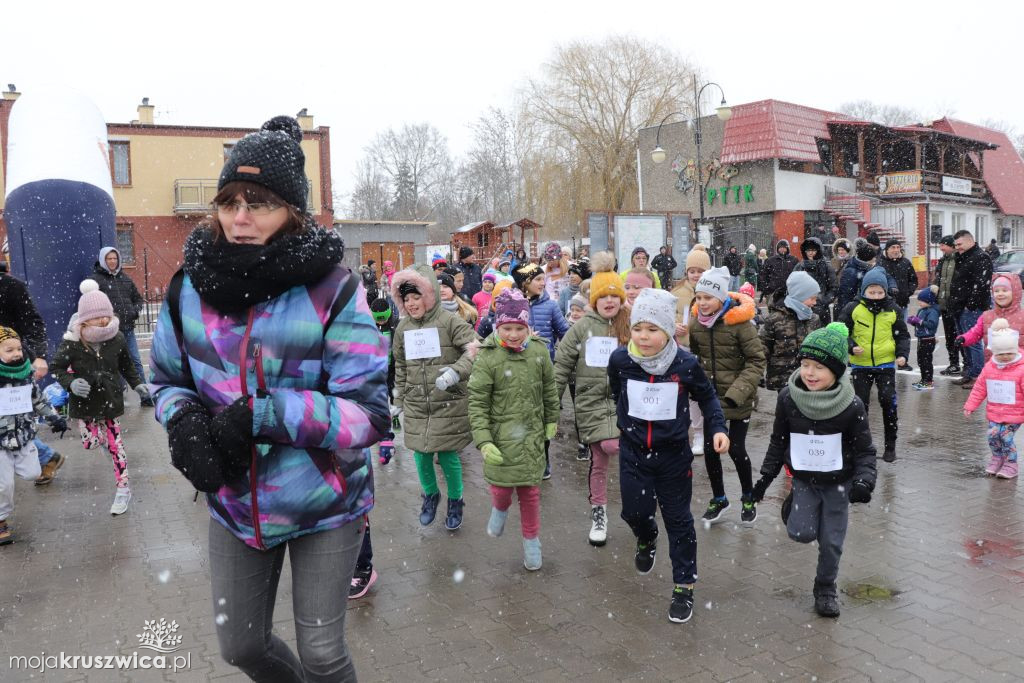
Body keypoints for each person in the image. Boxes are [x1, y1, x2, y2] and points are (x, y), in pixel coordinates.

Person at [149, 117, 388, 681]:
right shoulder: (190, 286)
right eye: (230, 201)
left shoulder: (332, 287)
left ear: (292, 212)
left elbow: (369, 413)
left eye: (259, 203)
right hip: (234, 502)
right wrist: (183, 421)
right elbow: (167, 380)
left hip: (324, 502)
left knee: (323, 655)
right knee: (241, 648)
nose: (241, 218)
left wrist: (267, 413)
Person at [608, 288, 728, 624]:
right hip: (633, 453)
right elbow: (617, 393)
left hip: (674, 455)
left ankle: (683, 586)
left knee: (679, 521)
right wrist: (626, 425)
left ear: (667, 330)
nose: (644, 337)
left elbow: (708, 399)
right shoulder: (620, 361)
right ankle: (646, 538)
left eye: (652, 330)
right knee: (634, 512)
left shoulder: (685, 364)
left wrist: (718, 428)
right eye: (638, 329)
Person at [750, 322, 876, 618]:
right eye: (806, 365)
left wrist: (865, 481)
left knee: (831, 543)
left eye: (819, 367)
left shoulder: (852, 405)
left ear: (837, 371)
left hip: (838, 484)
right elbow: (777, 441)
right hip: (804, 480)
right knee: (801, 533)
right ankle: (794, 509)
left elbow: (865, 450)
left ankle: (825, 587)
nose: (809, 373)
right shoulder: (788, 398)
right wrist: (764, 481)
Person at [469, 289, 558, 570]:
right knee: (502, 489)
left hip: (531, 437)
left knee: (530, 494)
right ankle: (499, 508)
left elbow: (550, 389)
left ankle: (532, 542)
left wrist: (551, 419)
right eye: (507, 327)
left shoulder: (540, 351)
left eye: (519, 327)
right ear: (498, 326)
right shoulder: (488, 357)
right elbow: (477, 402)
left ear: (528, 327)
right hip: (500, 439)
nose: (513, 334)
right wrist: (483, 441)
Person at [391, 264, 477, 530]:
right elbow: (401, 367)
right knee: (420, 453)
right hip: (417, 402)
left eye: (416, 297)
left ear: (429, 295)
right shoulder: (402, 328)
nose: (412, 303)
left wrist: (456, 372)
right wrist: (398, 401)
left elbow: (475, 349)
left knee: (448, 455)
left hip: (447, 400)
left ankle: (455, 500)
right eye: (406, 299)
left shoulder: (449, 320)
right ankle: (430, 495)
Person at [554, 251, 630, 545]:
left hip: (625, 403)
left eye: (614, 296)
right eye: (603, 297)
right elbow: (561, 366)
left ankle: (639, 507)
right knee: (602, 454)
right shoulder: (582, 328)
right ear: (593, 299)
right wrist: (552, 406)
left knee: (632, 458)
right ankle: (599, 512)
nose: (609, 302)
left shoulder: (631, 324)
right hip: (591, 402)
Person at [54, 280, 148, 515]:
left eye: (106, 316)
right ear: (84, 319)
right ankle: (101, 440)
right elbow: (57, 368)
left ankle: (123, 488)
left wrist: (138, 385)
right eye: (97, 318)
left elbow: (127, 365)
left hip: (109, 400)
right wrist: (71, 383)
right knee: (90, 443)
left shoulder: (116, 339)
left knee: (116, 446)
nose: (103, 321)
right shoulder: (72, 343)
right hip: (84, 404)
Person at [687, 267, 766, 524]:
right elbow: (697, 357)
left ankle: (747, 496)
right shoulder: (697, 323)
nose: (702, 303)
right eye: (699, 298)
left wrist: (738, 392)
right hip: (711, 399)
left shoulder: (740, 324)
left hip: (737, 398)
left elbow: (756, 360)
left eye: (708, 297)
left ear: (721, 298)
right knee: (711, 450)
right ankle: (720, 497)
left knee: (736, 449)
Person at [0, 326, 67, 544]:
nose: (17, 354)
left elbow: (37, 400)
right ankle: (1, 521)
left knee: (32, 473)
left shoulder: (26, 373)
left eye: (18, 348)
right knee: (4, 485)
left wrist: (53, 417)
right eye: (9, 350)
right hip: (0, 440)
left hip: (23, 435)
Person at [838, 269, 910, 463]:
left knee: (888, 402)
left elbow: (902, 335)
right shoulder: (853, 308)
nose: (876, 297)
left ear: (885, 292)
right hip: (861, 366)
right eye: (872, 292)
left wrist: (902, 355)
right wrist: (851, 346)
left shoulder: (893, 309)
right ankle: (861, 445)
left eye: (880, 293)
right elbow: (841, 332)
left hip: (885, 364)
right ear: (864, 291)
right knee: (860, 405)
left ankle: (890, 445)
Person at [513, 261, 569, 479]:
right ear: (525, 283)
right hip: (517, 369)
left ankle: (543, 458)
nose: (542, 283)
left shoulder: (551, 306)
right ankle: (522, 457)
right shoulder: (513, 304)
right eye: (537, 279)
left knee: (543, 416)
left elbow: (565, 332)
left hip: (544, 370)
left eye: (542, 279)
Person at [89, 247, 151, 405]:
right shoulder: (96, 280)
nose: (112, 261)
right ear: (103, 260)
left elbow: (138, 299)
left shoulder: (125, 278)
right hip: (109, 332)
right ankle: (115, 397)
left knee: (135, 361)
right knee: (112, 365)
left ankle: (145, 396)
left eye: (115, 258)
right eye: (109, 259)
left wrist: (134, 312)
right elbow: (92, 304)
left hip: (128, 328)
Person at [964, 319, 1023, 479]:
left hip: (1015, 413)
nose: (1005, 357)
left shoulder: (1021, 368)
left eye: (1009, 353)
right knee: (992, 435)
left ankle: (1011, 464)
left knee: (1005, 436)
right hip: (995, 412)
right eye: (1001, 353)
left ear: (1015, 350)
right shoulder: (990, 367)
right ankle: (997, 458)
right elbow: (980, 388)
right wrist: (970, 405)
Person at [671, 244, 710, 455]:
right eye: (692, 271)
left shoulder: (712, 291)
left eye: (700, 271)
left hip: (703, 350)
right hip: (682, 348)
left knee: (698, 395)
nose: (695, 275)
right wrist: (673, 325)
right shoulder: (677, 293)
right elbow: (666, 317)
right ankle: (680, 434)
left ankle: (700, 434)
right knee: (681, 394)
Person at [760, 271, 821, 391]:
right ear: (800, 296)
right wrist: (757, 373)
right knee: (787, 407)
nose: (815, 303)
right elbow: (762, 348)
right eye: (812, 298)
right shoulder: (775, 319)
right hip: (783, 377)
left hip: (808, 377)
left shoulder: (813, 318)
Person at [949, 230, 994, 389]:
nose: (957, 248)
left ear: (970, 241)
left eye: (959, 244)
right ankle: (969, 373)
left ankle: (978, 376)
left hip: (971, 309)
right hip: (960, 307)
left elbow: (981, 284)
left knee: (973, 343)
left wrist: (970, 305)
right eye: (955, 245)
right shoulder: (963, 256)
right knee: (964, 341)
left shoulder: (981, 257)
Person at [955, 274, 1024, 370]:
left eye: (1005, 290)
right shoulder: (987, 316)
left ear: (1015, 293)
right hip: (993, 366)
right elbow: (975, 333)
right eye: (996, 291)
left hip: (1019, 368)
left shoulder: (1022, 316)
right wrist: (964, 339)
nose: (1000, 294)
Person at [835, 238, 896, 314]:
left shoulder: (873, 267)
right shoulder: (851, 272)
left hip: (870, 306)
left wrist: (892, 286)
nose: (875, 259)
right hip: (858, 309)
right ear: (867, 259)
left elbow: (886, 276)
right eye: (873, 258)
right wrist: (848, 313)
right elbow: (845, 295)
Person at [934, 235, 966, 376]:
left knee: (962, 335)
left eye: (943, 245)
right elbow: (938, 277)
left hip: (957, 305)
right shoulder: (943, 260)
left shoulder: (960, 259)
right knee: (949, 336)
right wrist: (935, 285)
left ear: (951, 246)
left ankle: (967, 363)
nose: (941, 248)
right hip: (944, 304)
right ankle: (953, 363)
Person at [793, 237, 836, 325]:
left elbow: (834, 288)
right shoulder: (799, 266)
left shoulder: (827, 267)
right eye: (808, 250)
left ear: (819, 251)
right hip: (802, 308)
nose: (810, 253)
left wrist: (823, 300)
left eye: (813, 250)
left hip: (821, 309)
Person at [908, 287, 941, 390]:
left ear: (929, 301)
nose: (920, 303)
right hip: (921, 338)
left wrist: (920, 322)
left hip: (928, 339)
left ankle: (928, 381)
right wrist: (913, 321)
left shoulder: (932, 311)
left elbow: (932, 324)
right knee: (921, 360)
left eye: (922, 301)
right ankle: (924, 379)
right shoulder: (922, 310)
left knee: (926, 361)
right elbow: (919, 323)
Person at [878, 239, 918, 321]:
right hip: (885, 305)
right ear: (887, 249)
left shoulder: (906, 262)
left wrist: (907, 292)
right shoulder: (880, 263)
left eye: (898, 247)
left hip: (902, 304)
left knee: (902, 330)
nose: (896, 250)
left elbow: (913, 280)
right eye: (893, 247)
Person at [759, 240, 798, 304]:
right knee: (774, 310)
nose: (782, 249)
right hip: (773, 291)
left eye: (784, 247)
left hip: (789, 291)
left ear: (787, 248)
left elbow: (798, 275)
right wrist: (766, 288)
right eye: (780, 247)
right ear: (777, 249)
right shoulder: (771, 260)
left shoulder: (794, 260)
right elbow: (764, 275)